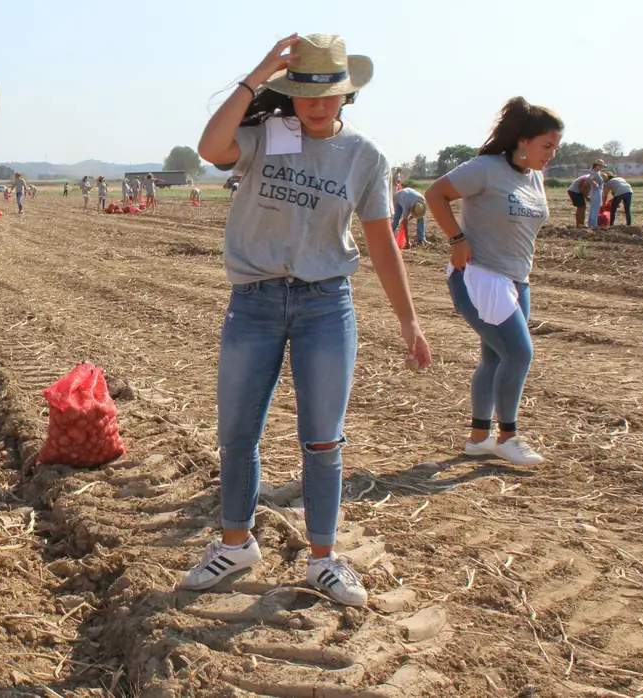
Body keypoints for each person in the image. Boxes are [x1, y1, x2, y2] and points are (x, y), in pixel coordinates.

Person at [186, 33, 431, 607]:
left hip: (326, 304)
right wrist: (260, 72)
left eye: (329, 94)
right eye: (304, 93)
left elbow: (381, 242)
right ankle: (235, 543)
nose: (316, 105)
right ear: (290, 93)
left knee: (323, 439)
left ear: (347, 95)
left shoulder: (365, 156)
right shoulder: (270, 135)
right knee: (237, 433)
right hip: (255, 301)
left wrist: (408, 320)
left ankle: (323, 558)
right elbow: (210, 146)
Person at [425, 97, 562, 468]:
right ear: (522, 141)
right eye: (546, 146)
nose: (551, 154)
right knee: (519, 353)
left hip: (518, 280)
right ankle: (508, 436)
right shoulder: (484, 169)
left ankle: (478, 439)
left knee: (493, 356)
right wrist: (457, 239)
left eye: (555, 147)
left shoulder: (535, 176)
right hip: (481, 276)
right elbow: (435, 194)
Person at [585, 159, 605, 228]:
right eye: (600, 165)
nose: (601, 167)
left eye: (602, 166)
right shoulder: (594, 172)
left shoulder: (596, 172)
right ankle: (594, 225)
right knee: (595, 208)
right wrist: (595, 184)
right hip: (596, 191)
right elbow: (590, 180)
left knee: (593, 208)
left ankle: (591, 224)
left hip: (596, 191)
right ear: (596, 165)